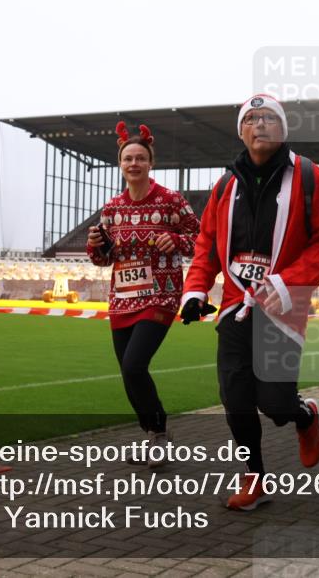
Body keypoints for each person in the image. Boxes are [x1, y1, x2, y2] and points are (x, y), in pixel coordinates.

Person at [180, 93, 319, 511]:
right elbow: (206, 244)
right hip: (235, 308)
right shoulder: (224, 186)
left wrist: (288, 283)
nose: (260, 124)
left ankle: (304, 416)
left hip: (282, 311)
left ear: (283, 128)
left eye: (270, 117)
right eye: (251, 118)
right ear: (241, 130)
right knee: (235, 399)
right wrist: (196, 289)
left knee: (274, 402)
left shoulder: (310, 178)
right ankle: (254, 476)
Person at [86, 121, 200, 466]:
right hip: (122, 297)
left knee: (135, 366)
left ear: (151, 163)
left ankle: (160, 435)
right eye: (127, 159)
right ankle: (152, 433)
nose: (133, 164)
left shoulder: (171, 201)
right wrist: (95, 247)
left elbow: (203, 241)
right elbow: (103, 260)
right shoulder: (112, 208)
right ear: (120, 165)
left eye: (140, 158)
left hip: (160, 294)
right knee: (128, 372)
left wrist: (177, 240)